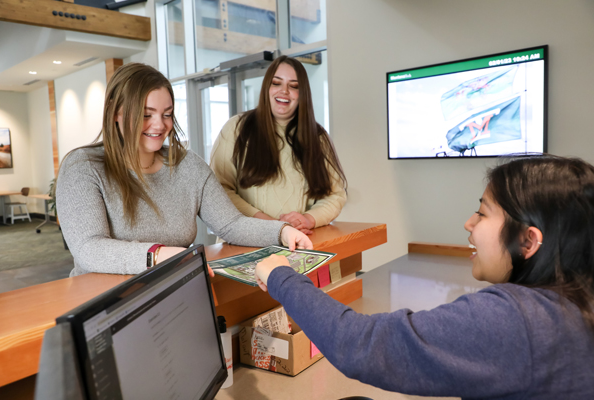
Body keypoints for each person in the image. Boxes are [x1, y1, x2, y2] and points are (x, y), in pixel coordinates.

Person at [255, 155, 594, 399]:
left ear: (528, 240)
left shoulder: (517, 320)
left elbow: (358, 344)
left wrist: (280, 276)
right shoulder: (571, 304)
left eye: (482, 212)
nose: (469, 223)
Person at [56, 63, 311, 277]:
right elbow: (89, 250)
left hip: (173, 290)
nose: (159, 125)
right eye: (146, 115)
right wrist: (160, 254)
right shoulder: (83, 167)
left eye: (167, 114)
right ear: (115, 111)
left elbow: (231, 225)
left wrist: (281, 231)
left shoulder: (187, 165)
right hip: (104, 305)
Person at [210, 55, 347, 235]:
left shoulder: (317, 137)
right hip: (244, 243)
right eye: (276, 83)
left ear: (302, 94)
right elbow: (218, 191)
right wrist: (273, 225)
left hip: (298, 243)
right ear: (266, 87)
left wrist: (306, 219)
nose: (284, 91)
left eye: (294, 86)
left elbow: (335, 195)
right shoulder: (236, 129)